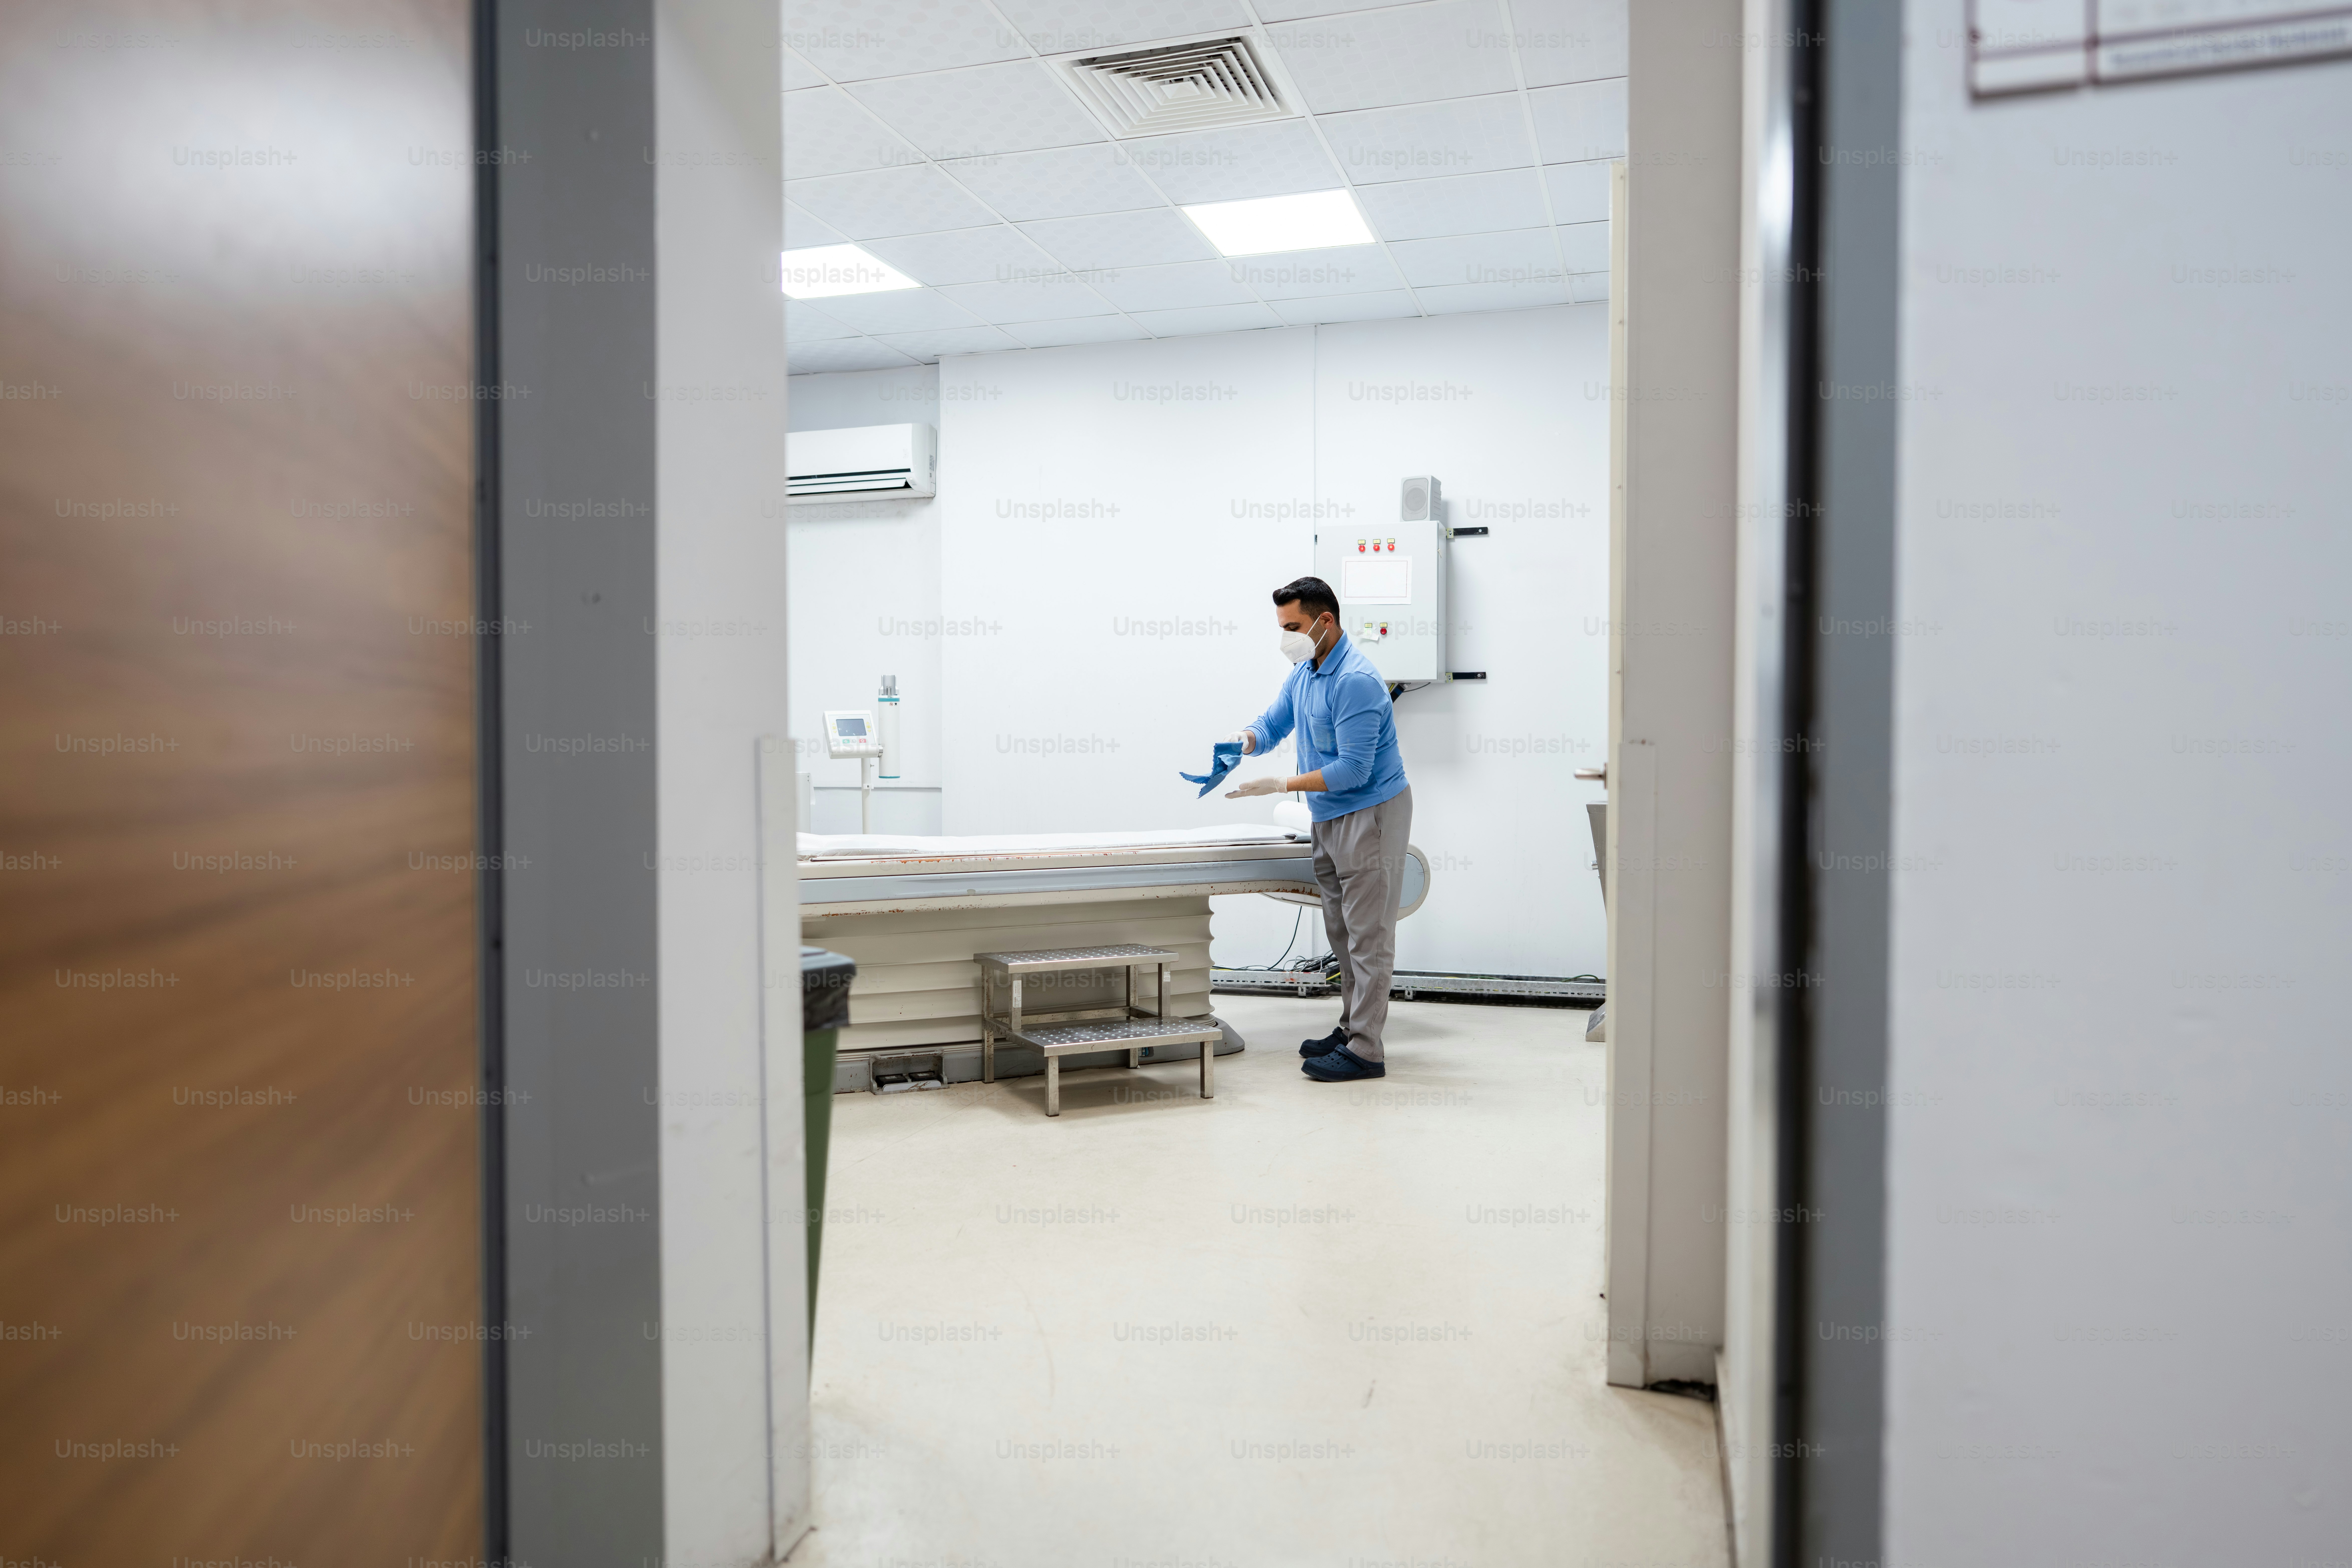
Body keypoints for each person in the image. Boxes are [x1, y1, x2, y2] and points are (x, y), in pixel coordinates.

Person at [1223, 576, 1412, 1083]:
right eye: (1282, 628)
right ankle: (1351, 1025)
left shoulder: (1355, 680)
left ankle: (1366, 1050)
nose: (1286, 638)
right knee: (1341, 929)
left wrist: (1280, 782)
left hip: (1369, 812)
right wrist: (1241, 743)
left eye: (1293, 627)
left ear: (1324, 621)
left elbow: (1353, 768)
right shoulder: (1307, 669)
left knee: (1368, 935)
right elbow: (1274, 722)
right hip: (1327, 813)